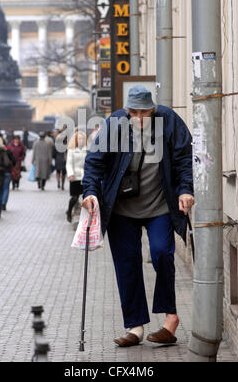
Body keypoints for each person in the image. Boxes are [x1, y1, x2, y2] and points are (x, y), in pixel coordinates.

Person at [82, 85, 194, 347]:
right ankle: (135, 326)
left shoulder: (169, 121)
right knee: (127, 263)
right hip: (121, 209)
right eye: (133, 112)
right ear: (127, 110)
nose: (139, 118)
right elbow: (94, 161)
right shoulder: (115, 123)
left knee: (162, 253)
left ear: (152, 110)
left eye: (144, 113)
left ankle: (170, 319)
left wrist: (185, 190)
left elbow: (184, 159)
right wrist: (90, 192)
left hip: (160, 206)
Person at [66, 130, 87, 223]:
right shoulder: (72, 150)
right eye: (79, 138)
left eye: (83, 138)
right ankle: (69, 212)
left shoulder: (87, 150)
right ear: (76, 140)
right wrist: (70, 174)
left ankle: (85, 217)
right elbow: (69, 163)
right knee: (75, 197)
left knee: (86, 197)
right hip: (74, 177)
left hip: (85, 176)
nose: (81, 140)